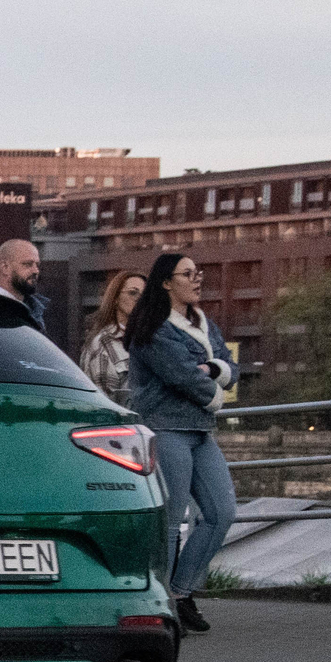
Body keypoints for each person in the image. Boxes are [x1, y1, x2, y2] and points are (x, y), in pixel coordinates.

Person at [124, 252, 237, 633]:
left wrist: (215, 369)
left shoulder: (202, 322)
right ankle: (163, 605)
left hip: (201, 430)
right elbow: (182, 376)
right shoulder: (154, 328)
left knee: (221, 513)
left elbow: (229, 366)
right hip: (167, 428)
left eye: (198, 272)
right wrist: (212, 382)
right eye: (188, 274)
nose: (197, 279)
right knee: (171, 522)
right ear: (166, 282)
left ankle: (181, 591)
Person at [79, 270, 145, 404]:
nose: (139, 299)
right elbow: (104, 405)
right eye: (133, 292)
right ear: (115, 299)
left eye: (145, 295)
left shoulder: (152, 342)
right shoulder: (103, 345)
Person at [0, 239, 48, 327]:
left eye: (37, 265)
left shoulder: (36, 309)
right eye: (27, 264)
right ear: (5, 267)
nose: (36, 271)